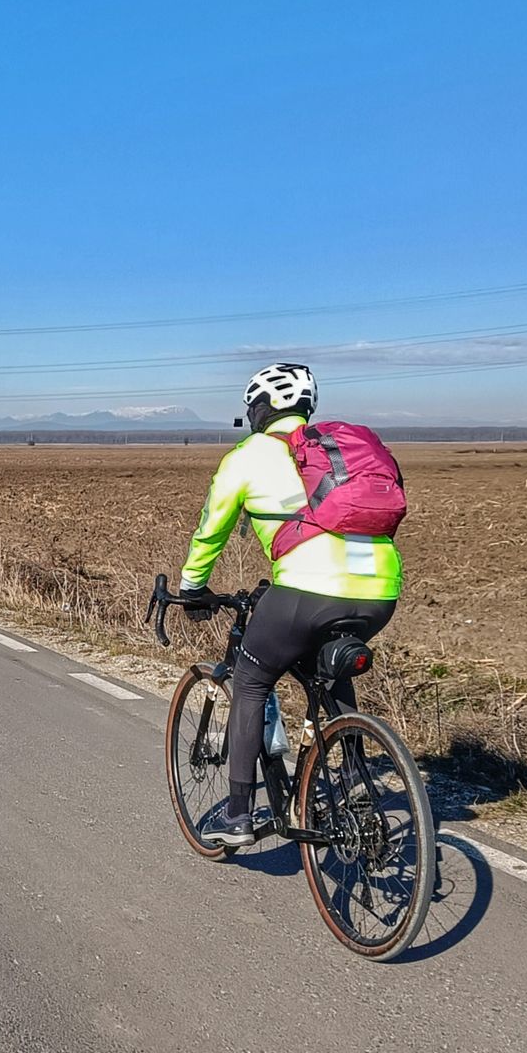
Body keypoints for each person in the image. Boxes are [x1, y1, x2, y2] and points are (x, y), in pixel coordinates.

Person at [178, 363, 402, 847]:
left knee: (251, 680)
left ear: (262, 408)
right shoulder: (338, 450)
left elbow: (211, 530)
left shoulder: (248, 455)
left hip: (306, 588)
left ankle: (238, 816)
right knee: (331, 666)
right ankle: (355, 775)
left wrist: (192, 587)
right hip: (380, 590)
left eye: (252, 407)